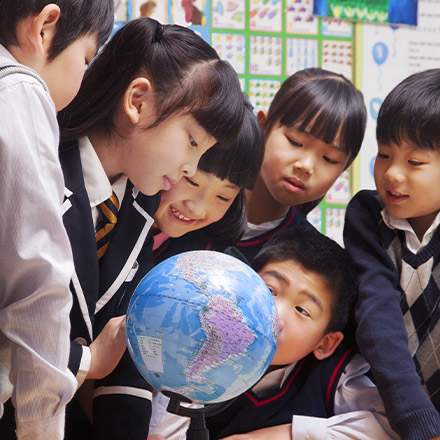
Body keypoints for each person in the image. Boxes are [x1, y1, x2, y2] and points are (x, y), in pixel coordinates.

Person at [56, 17, 248, 440]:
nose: (190, 169)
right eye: (193, 142)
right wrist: (86, 362)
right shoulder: (40, 166)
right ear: (137, 101)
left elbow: (126, 336)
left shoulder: (139, 199)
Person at [0, 1, 113, 439]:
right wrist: (41, 428)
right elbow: (39, 286)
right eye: (86, 58)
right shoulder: (21, 91)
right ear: (46, 27)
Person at [206, 227, 398, 440]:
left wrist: (285, 435)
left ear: (325, 343)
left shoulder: (335, 378)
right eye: (270, 291)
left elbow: (397, 426)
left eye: (302, 310)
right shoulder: (200, 337)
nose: (274, 315)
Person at [144, 103, 264, 440]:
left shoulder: (211, 262)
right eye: (192, 181)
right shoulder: (113, 218)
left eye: (224, 197)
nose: (199, 208)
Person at [343, 69, 440, 440]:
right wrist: (418, 421)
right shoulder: (369, 217)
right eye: (384, 154)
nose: (392, 173)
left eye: (414, 162)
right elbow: (377, 318)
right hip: (380, 404)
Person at [230, 67, 367, 264]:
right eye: (295, 142)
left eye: (329, 159)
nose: (306, 166)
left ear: (343, 169)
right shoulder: (191, 202)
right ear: (263, 125)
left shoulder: (312, 262)